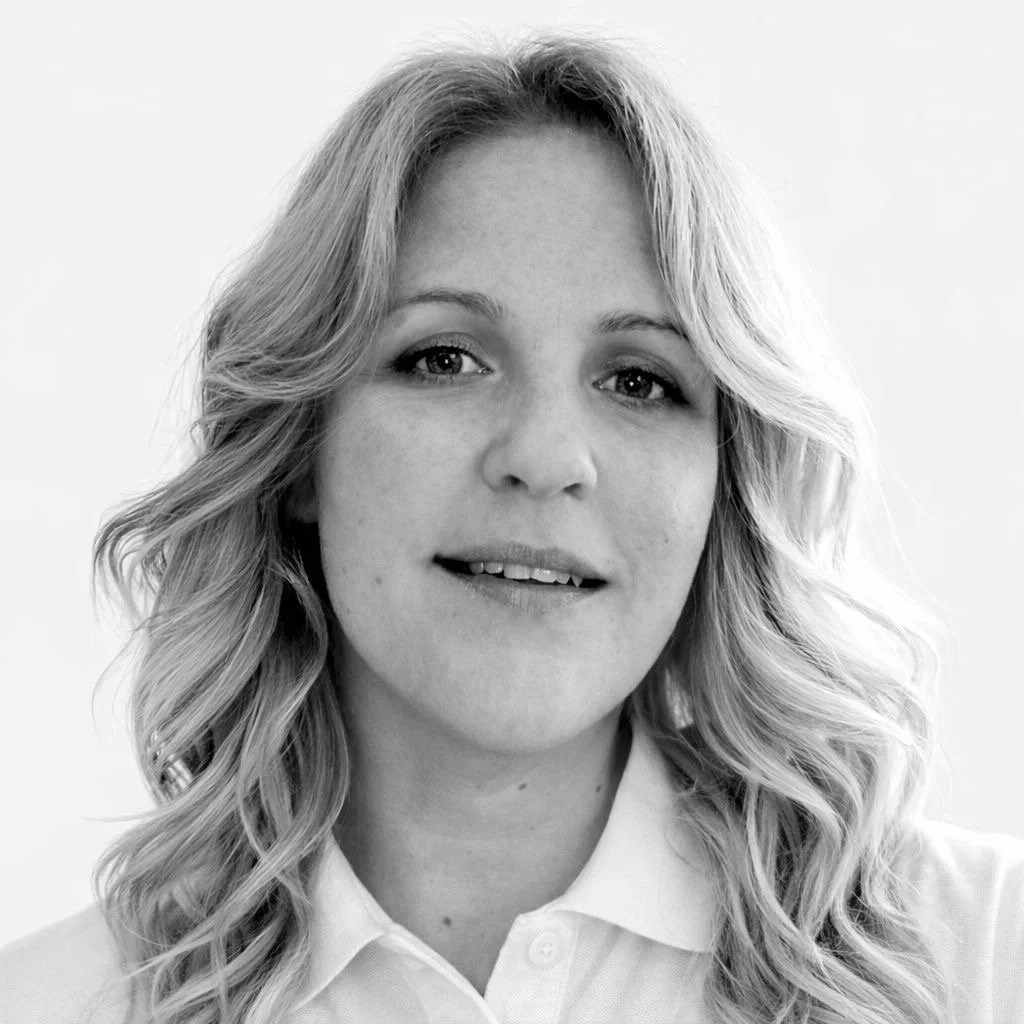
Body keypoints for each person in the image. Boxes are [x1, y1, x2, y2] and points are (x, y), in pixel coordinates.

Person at [1, 29, 1021, 1024]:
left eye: (639, 380)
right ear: (301, 446)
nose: (543, 456)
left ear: (725, 485)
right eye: (443, 358)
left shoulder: (984, 954)